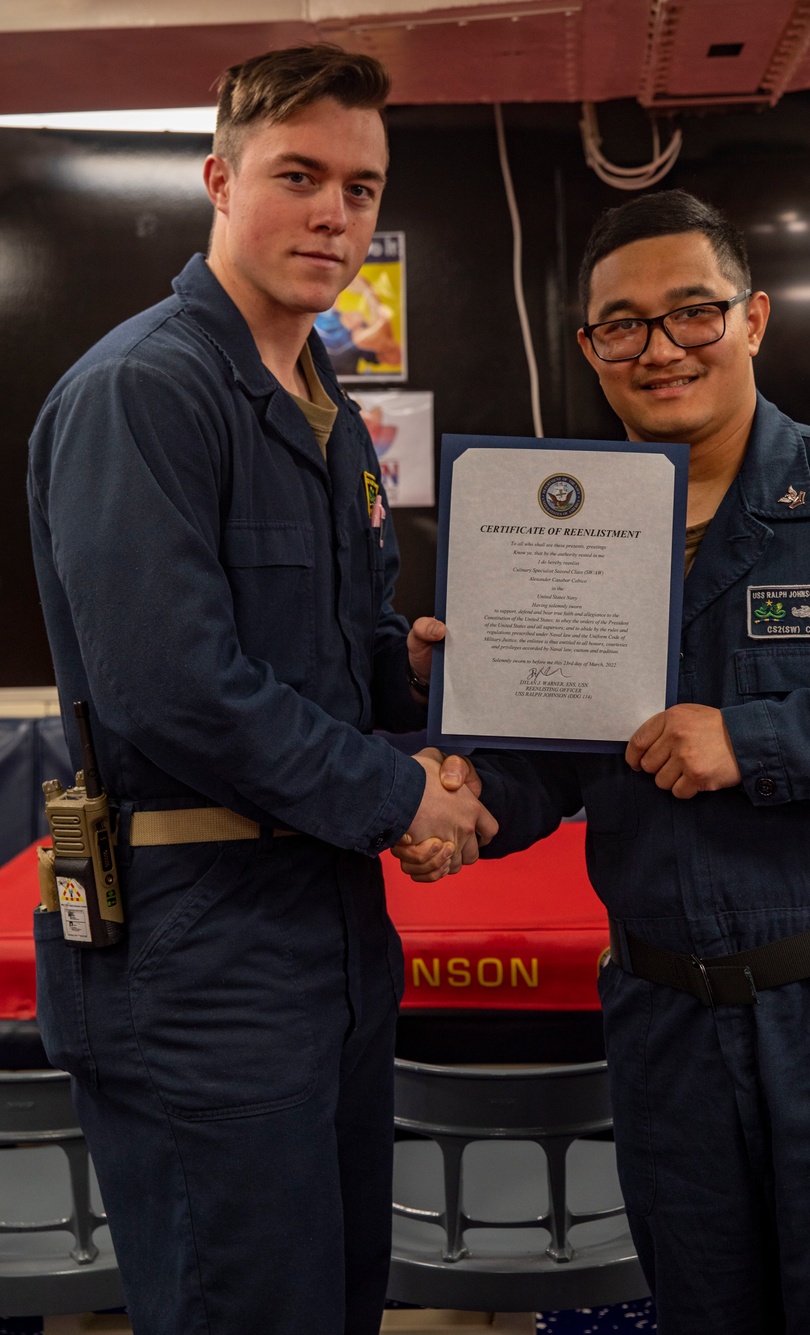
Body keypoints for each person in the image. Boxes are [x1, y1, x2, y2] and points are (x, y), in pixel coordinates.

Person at [394, 189, 810, 1333]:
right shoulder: (558, 527)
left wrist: (753, 739)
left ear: (754, 318)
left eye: (692, 313)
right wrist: (465, 792)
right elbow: (563, 761)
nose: (659, 348)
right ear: (589, 348)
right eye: (621, 325)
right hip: (666, 1029)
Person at [27, 44, 495, 1335]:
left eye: (361, 185)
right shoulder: (148, 388)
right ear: (219, 181)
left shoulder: (325, 406)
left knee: (336, 1301)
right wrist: (401, 791)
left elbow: (319, 658)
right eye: (300, 175)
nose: (335, 213)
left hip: (327, 929)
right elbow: (171, 687)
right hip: (201, 953)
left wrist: (411, 679)